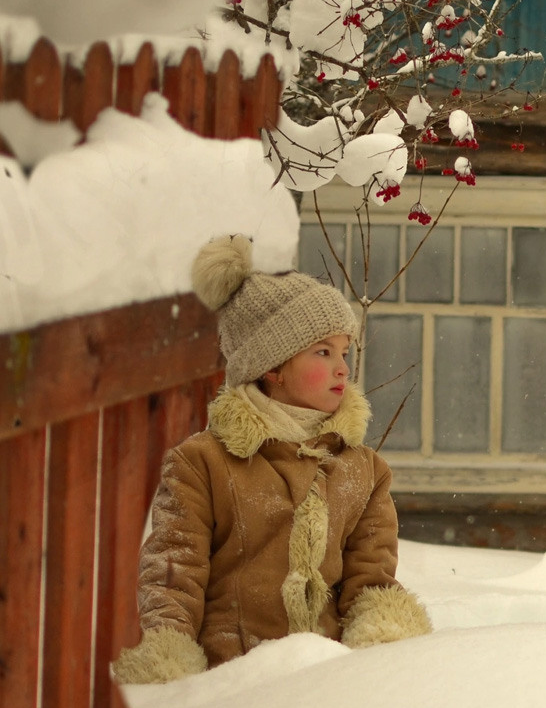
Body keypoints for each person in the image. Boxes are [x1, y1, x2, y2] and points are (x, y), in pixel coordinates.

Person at [111, 234, 431, 683]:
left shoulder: (362, 470)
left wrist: (382, 648)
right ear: (272, 367)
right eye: (322, 351)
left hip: (331, 681)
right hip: (230, 684)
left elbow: (370, 580)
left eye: (344, 351)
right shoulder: (202, 464)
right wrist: (170, 663)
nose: (343, 367)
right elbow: (173, 577)